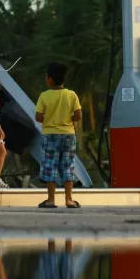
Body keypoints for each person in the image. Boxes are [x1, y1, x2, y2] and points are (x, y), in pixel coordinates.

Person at [35, 62, 82, 209]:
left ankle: (50, 200)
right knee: (68, 166)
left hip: (50, 136)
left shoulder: (44, 96)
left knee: (51, 166)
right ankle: (69, 199)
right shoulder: (71, 94)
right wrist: (67, 117)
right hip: (68, 135)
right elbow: (78, 115)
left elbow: (38, 117)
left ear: (49, 79)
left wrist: (49, 117)